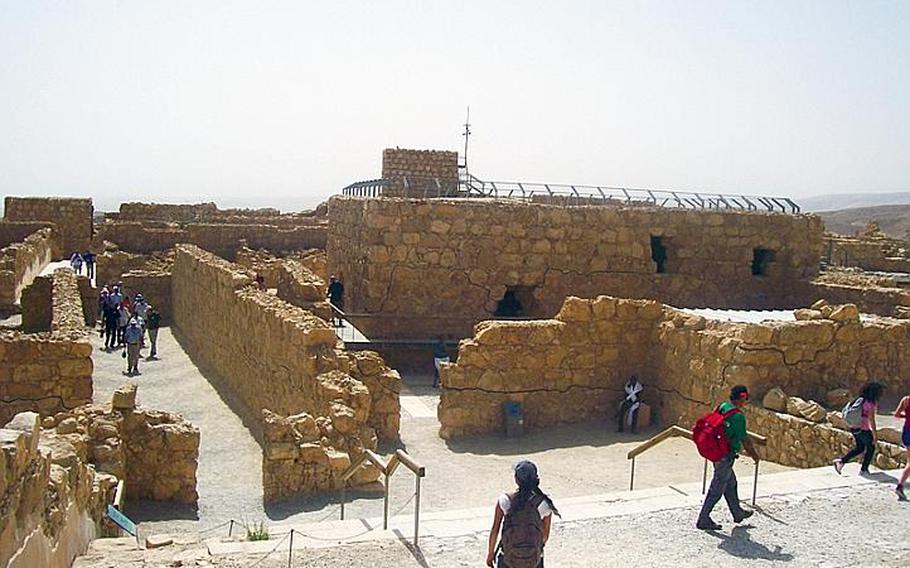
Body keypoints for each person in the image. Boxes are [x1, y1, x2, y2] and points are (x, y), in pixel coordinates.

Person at [696, 385, 759, 531]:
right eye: (746, 398)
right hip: (725, 456)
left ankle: (737, 512)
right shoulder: (738, 417)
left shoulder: (722, 406)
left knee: (731, 483)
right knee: (717, 488)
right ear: (742, 398)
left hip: (716, 452)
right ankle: (703, 518)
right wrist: (755, 455)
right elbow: (745, 440)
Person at [487, 460, 560, 568]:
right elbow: (544, 536)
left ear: (516, 479)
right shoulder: (544, 503)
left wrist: (490, 553)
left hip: (507, 557)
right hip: (533, 560)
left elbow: (495, 530)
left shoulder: (505, 500)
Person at [833, 381, 884, 476]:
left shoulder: (859, 400)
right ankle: (864, 470)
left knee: (860, 448)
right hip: (863, 429)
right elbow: (871, 420)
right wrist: (875, 435)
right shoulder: (871, 404)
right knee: (871, 448)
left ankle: (841, 462)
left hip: (854, 428)